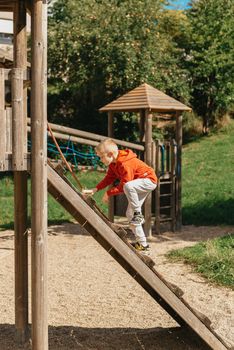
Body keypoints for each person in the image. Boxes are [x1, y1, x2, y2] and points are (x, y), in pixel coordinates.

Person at [84, 138, 157, 252]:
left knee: (128, 186)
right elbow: (109, 178)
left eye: (102, 157)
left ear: (110, 154)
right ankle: (143, 244)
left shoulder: (125, 163)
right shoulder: (113, 164)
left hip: (148, 180)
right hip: (137, 184)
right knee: (129, 213)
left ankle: (138, 214)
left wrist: (109, 193)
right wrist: (95, 189)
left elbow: (125, 184)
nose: (101, 160)